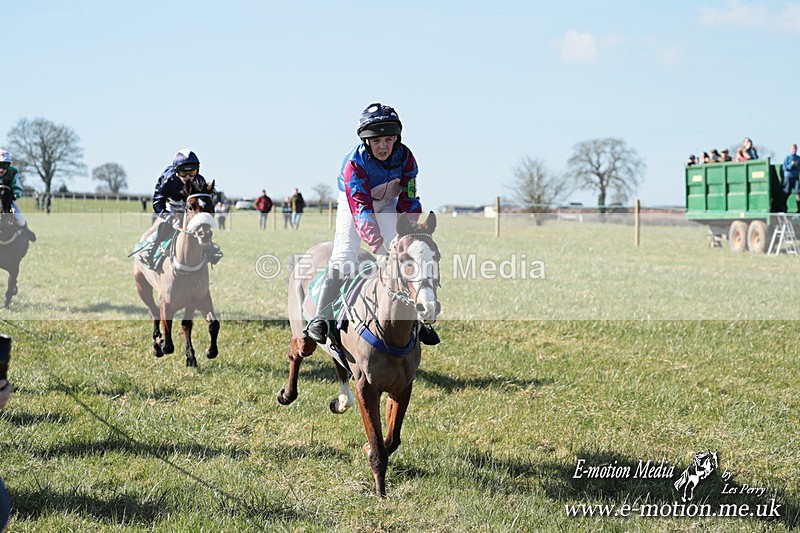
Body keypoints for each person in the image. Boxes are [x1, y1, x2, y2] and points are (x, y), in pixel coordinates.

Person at [303, 102, 439, 347]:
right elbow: (362, 211)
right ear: (366, 141)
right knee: (344, 255)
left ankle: (417, 322)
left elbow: (409, 199)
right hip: (355, 204)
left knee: (404, 256)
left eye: (388, 139)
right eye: (376, 141)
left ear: (396, 138)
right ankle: (320, 317)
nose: (383, 146)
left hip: (388, 202)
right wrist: (377, 247)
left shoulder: (406, 159)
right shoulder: (354, 164)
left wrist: (405, 235)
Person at [140, 149, 222, 267]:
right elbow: (158, 202)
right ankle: (151, 251)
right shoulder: (168, 180)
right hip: (171, 205)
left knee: (202, 228)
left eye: (192, 172)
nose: (188, 177)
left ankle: (209, 249)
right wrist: (170, 217)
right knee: (164, 227)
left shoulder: (200, 180)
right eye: (184, 173)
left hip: (190, 208)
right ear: (176, 172)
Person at [0, 149, 36, 242]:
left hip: (8, 201)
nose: (1, 169)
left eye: (5, 166)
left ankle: (26, 231)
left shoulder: (13, 172)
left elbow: (17, 187)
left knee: (20, 219)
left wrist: (15, 196)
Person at [783, 144, 800, 210]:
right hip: (788, 176)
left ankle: (798, 208)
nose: (794, 150)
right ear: (790, 149)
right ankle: (783, 205)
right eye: (793, 148)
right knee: (787, 191)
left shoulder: (798, 158)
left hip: (796, 177)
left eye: (795, 148)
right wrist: (791, 165)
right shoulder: (787, 158)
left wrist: (796, 166)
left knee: (798, 191)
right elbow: (784, 168)